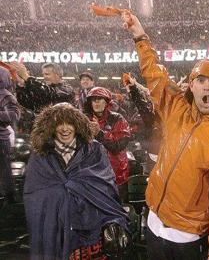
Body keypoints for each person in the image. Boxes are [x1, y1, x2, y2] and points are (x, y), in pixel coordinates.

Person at [121, 11, 209, 260]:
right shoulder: (176, 107)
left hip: (188, 239)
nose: (207, 86)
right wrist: (140, 36)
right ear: (192, 85)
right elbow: (155, 75)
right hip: (155, 225)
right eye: (201, 80)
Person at [23, 103, 129, 260]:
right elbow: (34, 197)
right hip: (55, 232)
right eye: (59, 123)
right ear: (50, 127)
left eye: (70, 123)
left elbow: (107, 191)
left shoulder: (94, 150)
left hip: (90, 233)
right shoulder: (40, 156)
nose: (65, 129)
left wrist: (113, 221)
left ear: (77, 125)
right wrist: (63, 199)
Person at [84, 87, 131, 203]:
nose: (95, 103)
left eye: (99, 99)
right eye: (93, 100)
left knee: (117, 209)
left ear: (107, 102)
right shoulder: (85, 120)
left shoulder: (117, 119)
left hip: (117, 175)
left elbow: (117, 147)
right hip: (94, 175)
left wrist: (99, 134)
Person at [10, 62, 74, 113]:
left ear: (57, 75)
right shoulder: (45, 90)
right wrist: (21, 84)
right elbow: (27, 103)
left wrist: (27, 77)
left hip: (61, 127)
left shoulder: (67, 89)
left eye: (47, 74)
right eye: (43, 74)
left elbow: (49, 94)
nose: (44, 77)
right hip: (45, 127)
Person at [0, 66, 20, 204]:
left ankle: (8, 197)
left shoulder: (6, 95)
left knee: (4, 169)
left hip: (1, 138)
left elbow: (15, 114)